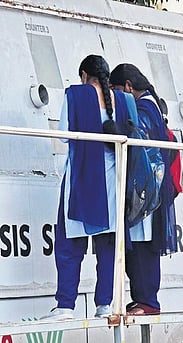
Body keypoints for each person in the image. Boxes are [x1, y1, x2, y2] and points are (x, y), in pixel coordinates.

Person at [43, 55, 133, 320]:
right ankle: (104, 305)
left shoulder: (76, 95)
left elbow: (64, 136)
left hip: (82, 179)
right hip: (114, 184)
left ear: (84, 74)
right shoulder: (125, 100)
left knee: (70, 247)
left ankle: (65, 305)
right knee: (107, 249)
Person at [110, 63, 178, 315]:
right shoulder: (151, 104)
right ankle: (143, 297)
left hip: (147, 185)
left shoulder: (145, 107)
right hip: (146, 184)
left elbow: (142, 137)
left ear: (128, 87)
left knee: (143, 245)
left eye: (116, 90)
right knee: (137, 244)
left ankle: (148, 300)